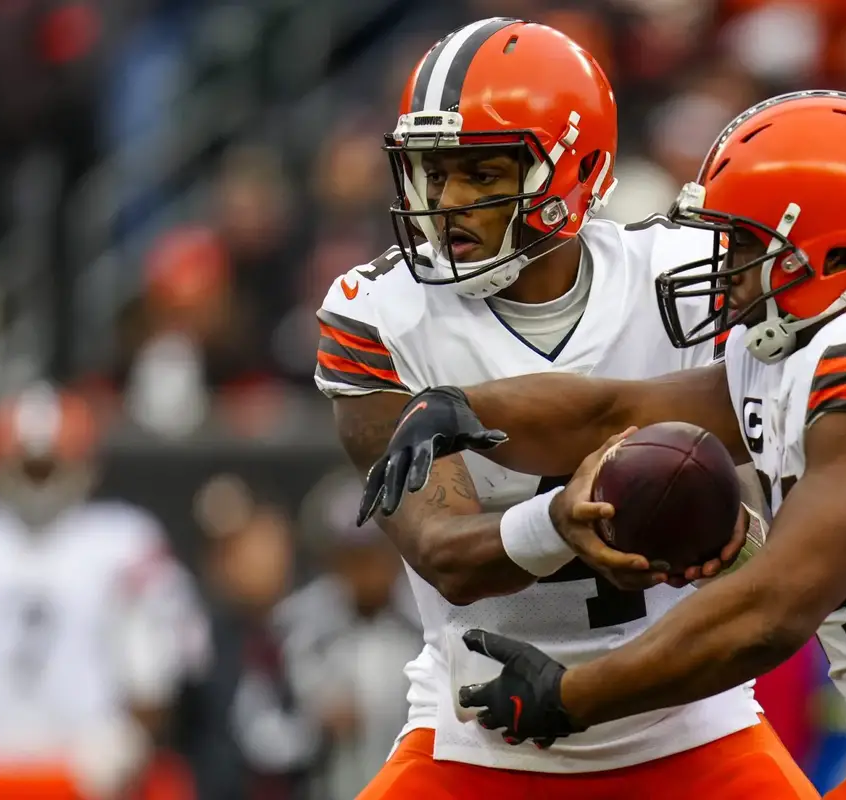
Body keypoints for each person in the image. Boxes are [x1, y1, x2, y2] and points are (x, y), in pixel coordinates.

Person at [360, 90, 846, 799]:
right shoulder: (806, 351)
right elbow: (614, 410)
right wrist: (460, 404)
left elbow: (772, 613)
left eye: (744, 245)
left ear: (836, 250)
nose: (724, 269)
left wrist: (575, 694)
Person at [314, 17, 817, 800]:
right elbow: (443, 554)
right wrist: (559, 522)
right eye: (432, 174)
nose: (446, 203)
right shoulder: (379, 314)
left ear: (571, 173)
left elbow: (757, 502)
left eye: (481, 176)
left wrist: (730, 531)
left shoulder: (682, 278)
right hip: (479, 738)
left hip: (688, 728)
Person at [0, 383, 207, 800]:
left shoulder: (123, 539)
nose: (39, 481)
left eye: (50, 465)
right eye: (28, 466)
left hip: (92, 760)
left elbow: (163, 663)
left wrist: (129, 737)